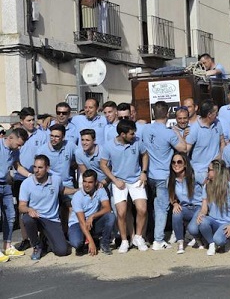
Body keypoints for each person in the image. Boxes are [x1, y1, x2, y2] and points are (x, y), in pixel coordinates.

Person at [141, 101, 186, 251]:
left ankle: (150, 236)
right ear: (167, 114)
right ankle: (158, 240)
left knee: (153, 206)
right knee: (161, 208)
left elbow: (139, 125)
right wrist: (178, 133)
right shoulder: (169, 133)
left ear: (153, 114)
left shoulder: (145, 129)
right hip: (163, 175)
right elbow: (183, 148)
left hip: (149, 174)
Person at [100, 119, 149, 253]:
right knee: (121, 213)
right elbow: (103, 164)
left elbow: (145, 155)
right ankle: (124, 241)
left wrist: (143, 172)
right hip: (119, 182)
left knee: (142, 209)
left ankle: (138, 237)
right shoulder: (109, 146)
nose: (134, 136)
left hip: (135, 180)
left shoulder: (137, 141)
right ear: (123, 134)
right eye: (131, 134)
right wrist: (114, 180)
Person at [19, 155, 76, 260]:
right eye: (35, 167)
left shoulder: (56, 179)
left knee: (62, 251)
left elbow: (62, 190)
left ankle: (46, 240)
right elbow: (21, 206)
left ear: (47, 168)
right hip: (35, 217)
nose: (36, 170)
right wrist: (29, 209)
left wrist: (77, 190)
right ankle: (36, 246)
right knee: (27, 219)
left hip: (52, 219)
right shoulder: (26, 184)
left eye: (40, 167)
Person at [13, 107, 49, 251]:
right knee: (22, 210)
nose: (31, 123)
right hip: (20, 177)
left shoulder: (42, 134)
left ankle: (42, 238)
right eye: (28, 121)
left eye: (33, 120)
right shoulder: (15, 136)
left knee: (40, 207)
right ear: (21, 122)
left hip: (38, 177)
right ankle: (25, 238)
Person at [196, 160, 230, 256]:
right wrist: (201, 214)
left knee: (219, 240)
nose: (207, 172)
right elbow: (204, 208)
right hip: (214, 220)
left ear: (217, 171)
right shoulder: (206, 186)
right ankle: (212, 244)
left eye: (209, 170)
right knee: (202, 221)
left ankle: (227, 239)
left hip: (229, 223)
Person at [68, 170, 116, 256]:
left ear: (96, 182)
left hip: (93, 222)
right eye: (85, 182)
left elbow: (107, 208)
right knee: (77, 243)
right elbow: (82, 222)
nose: (86, 185)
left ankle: (104, 243)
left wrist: (92, 216)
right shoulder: (77, 196)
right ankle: (87, 241)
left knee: (111, 216)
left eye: (90, 182)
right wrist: (91, 242)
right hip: (78, 223)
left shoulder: (100, 190)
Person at [0, 128, 28, 261]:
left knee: (10, 216)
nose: (19, 147)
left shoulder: (15, 151)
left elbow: (18, 166)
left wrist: (30, 176)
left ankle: (7, 246)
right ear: (11, 138)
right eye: (18, 144)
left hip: (6, 186)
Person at [170, 153, 204, 254]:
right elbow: (171, 195)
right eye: (173, 162)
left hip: (199, 206)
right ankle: (180, 242)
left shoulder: (195, 175)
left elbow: (207, 187)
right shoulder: (171, 179)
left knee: (192, 229)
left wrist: (206, 206)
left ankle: (198, 238)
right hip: (185, 208)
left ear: (185, 164)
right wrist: (175, 203)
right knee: (176, 213)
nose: (176, 164)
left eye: (179, 162)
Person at [186, 99, 225, 184]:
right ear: (209, 115)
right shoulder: (194, 129)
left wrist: (220, 156)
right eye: (216, 112)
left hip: (216, 171)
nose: (217, 115)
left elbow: (222, 142)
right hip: (200, 173)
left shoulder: (218, 123)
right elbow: (186, 151)